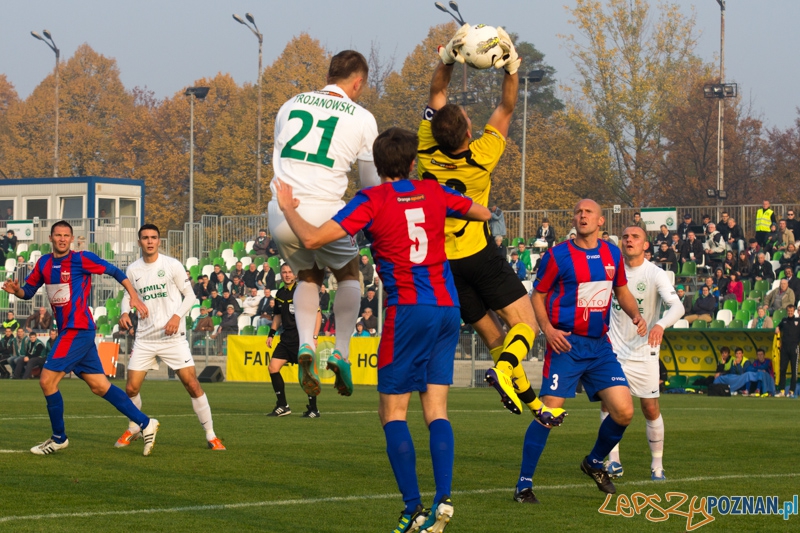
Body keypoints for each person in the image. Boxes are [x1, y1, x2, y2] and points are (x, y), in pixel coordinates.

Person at [274, 125, 492, 532]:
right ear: (413, 162)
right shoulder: (432, 190)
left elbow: (313, 236)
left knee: (392, 412)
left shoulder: (370, 200)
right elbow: (482, 212)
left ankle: (413, 508)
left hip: (409, 309)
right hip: (447, 307)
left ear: (376, 164)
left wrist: (287, 206)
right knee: (437, 410)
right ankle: (443, 497)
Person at [418, 26, 555, 426]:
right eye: (464, 115)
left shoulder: (427, 148)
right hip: (478, 253)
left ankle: (530, 401)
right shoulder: (483, 155)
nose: (464, 111)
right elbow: (506, 107)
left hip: (442, 263)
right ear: (466, 131)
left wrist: (446, 58)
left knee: (494, 337)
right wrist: (510, 66)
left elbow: (435, 95)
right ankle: (506, 374)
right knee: (525, 324)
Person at [516, 199, 647, 503]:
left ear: (601, 221)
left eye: (589, 212)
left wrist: (635, 315)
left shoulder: (612, 253)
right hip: (567, 345)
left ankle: (594, 462)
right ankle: (523, 485)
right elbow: (538, 295)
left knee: (625, 412)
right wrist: (547, 330)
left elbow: (621, 291)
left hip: (600, 346)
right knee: (547, 413)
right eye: (578, 211)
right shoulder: (557, 256)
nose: (582, 215)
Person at [267, 50, 381, 398]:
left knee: (308, 275)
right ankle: (342, 354)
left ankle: (305, 345)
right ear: (357, 82)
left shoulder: (290, 104)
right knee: (349, 274)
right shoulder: (362, 117)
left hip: (282, 210)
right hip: (326, 211)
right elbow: (370, 185)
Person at [2, 220, 159, 455]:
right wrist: (17, 291)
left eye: (66, 235)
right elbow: (29, 291)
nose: (62, 239)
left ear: (72, 239)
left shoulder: (81, 259)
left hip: (78, 329)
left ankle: (58, 438)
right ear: (51, 238)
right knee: (99, 386)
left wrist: (133, 297)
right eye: (58, 235)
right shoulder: (44, 263)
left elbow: (116, 271)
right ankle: (146, 423)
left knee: (47, 381)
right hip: (70, 331)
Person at [116, 225, 224, 451]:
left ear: (159, 241)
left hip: (173, 338)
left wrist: (176, 317)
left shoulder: (172, 265)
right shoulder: (133, 269)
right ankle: (135, 426)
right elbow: (129, 296)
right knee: (131, 389)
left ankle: (211, 435)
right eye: (145, 238)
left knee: (193, 385)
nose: (149, 241)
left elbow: (190, 296)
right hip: (145, 339)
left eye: (154, 237)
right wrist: (125, 312)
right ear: (139, 242)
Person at [603, 226, 683, 481]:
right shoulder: (611, 271)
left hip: (644, 352)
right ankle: (613, 460)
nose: (629, 240)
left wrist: (659, 324)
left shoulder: (655, 274)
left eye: (635, 237)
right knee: (609, 404)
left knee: (650, 408)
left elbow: (677, 307)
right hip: (614, 350)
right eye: (625, 237)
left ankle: (657, 465)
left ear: (646, 245)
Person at [266, 263, 323, 418]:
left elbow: (318, 314)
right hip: (286, 338)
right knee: (273, 367)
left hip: (302, 337)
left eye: (290, 272)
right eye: (284, 272)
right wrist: (271, 334)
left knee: (307, 373)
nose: (287, 275)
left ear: (296, 274)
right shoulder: (279, 293)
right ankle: (283, 405)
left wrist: (314, 336)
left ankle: (313, 409)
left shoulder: (303, 291)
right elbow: (277, 317)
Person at [775, 304, 800, 397]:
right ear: (787, 311)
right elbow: (778, 326)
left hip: (794, 348)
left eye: (791, 311)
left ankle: (791, 391)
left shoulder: (798, 320)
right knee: (782, 369)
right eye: (788, 311)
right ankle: (782, 391)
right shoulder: (784, 320)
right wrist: (777, 328)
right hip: (784, 348)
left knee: (794, 370)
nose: (790, 312)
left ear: (794, 311)